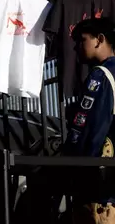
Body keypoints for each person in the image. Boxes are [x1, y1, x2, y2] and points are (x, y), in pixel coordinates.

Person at [64, 18, 115, 224]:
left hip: (100, 188)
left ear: (99, 40)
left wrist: (74, 165)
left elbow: (88, 130)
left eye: (81, 40)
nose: (77, 47)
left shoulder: (100, 76)